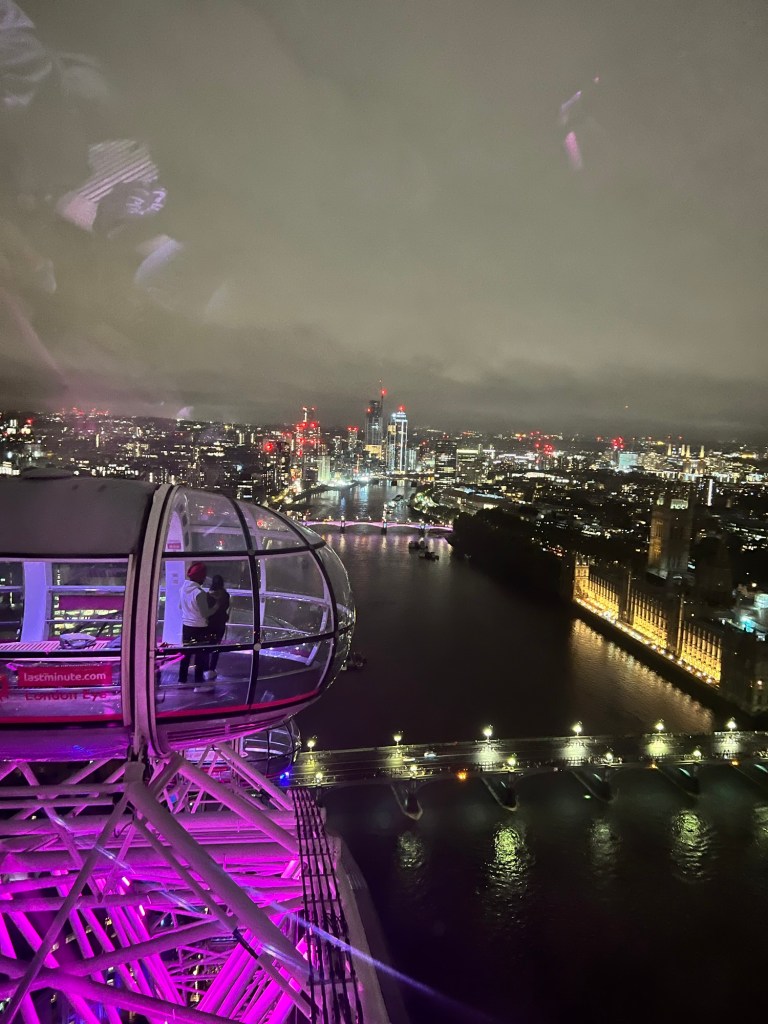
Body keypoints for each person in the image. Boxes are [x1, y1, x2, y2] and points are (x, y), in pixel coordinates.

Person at [178, 561, 216, 688]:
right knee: (200, 657)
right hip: (199, 628)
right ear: (201, 577)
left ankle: (181, 681)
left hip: (186, 626)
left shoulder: (183, 589)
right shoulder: (199, 593)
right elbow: (205, 613)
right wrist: (216, 607)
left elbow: (180, 606)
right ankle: (198, 685)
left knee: (185, 655)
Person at [205, 574, 230, 680]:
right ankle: (212, 669)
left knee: (207, 646)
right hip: (220, 624)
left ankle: (205, 668)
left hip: (209, 624)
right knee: (216, 646)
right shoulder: (225, 595)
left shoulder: (208, 595)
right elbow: (226, 607)